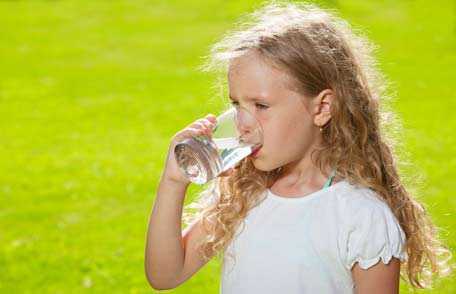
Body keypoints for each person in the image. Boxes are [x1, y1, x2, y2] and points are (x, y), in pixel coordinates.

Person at [145, 1, 453, 293]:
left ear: (321, 109)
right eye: (237, 104)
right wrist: (173, 181)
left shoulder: (360, 216)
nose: (242, 122)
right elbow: (165, 274)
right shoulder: (244, 194)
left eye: (261, 105)